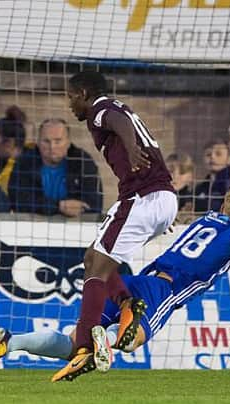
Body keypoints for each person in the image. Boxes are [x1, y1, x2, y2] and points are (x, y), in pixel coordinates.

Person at [0, 186, 230, 380]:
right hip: (162, 294)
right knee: (131, 340)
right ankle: (107, 339)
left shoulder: (207, 221)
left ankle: (10, 341)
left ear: (223, 204)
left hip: (137, 280)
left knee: (72, 344)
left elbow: (206, 251)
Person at [51, 71, 178, 382]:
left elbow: (114, 122)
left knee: (95, 269)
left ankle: (83, 347)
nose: (70, 105)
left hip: (141, 198)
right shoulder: (120, 107)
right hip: (160, 200)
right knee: (93, 258)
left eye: (71, 97)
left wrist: (131, 147)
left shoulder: (100, 109)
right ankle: (127, 305)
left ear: (83, 93)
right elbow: (120, 121)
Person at [8, 118, 102, 216]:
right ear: (38, 142)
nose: (52, 147)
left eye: (58, 141)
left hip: (75, 225)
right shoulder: (24, 162)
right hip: (34, 225)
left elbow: (94, 204)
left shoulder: (83, 161)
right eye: (46, 141)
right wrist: (59, 206)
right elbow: (19, 201)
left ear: (68, 142)